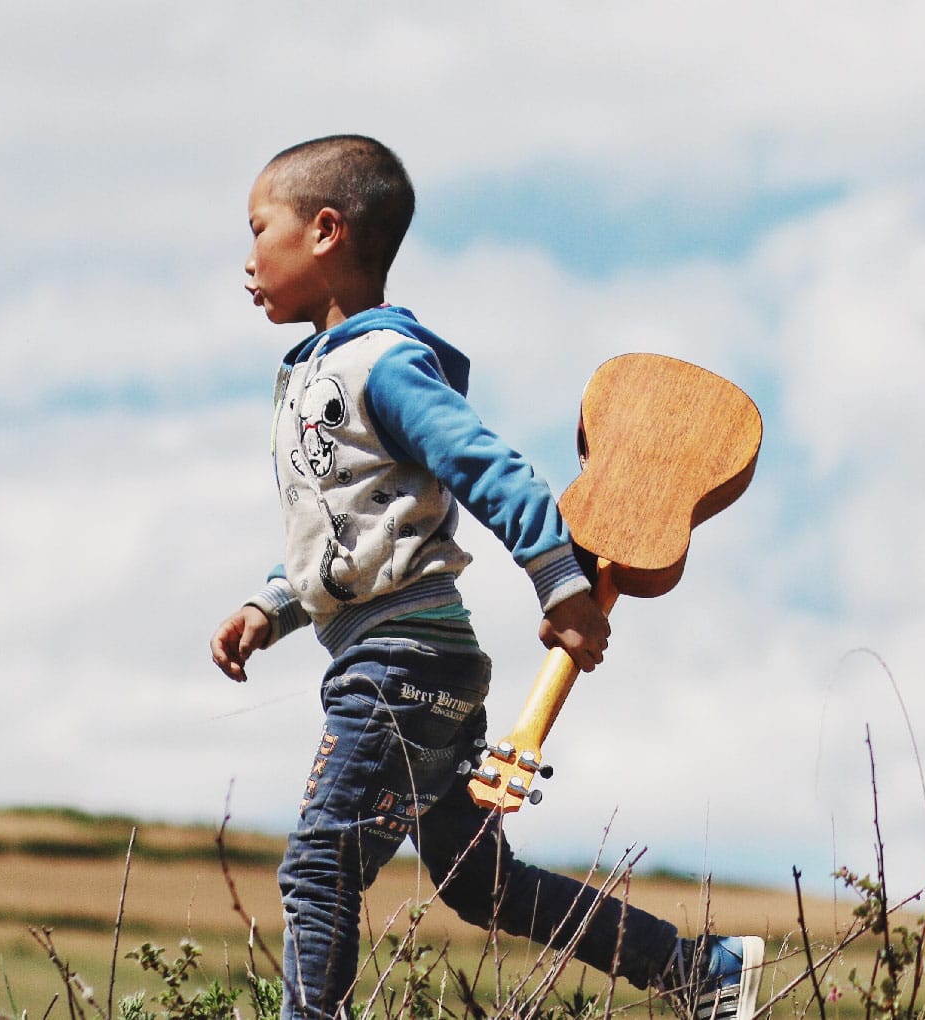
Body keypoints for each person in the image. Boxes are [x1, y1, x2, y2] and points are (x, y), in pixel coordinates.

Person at [208, 134, 762, 1020]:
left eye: (256, 228)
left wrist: (562, 587)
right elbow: (342, 530)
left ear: (323, 232)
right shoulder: (319, 372)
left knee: (319, 865)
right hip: (412, 660)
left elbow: (489, 468)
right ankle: (703, 971)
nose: (244, 257)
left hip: (400, 665)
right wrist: (269, 606)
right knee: (478, 883)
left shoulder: (381, 365)